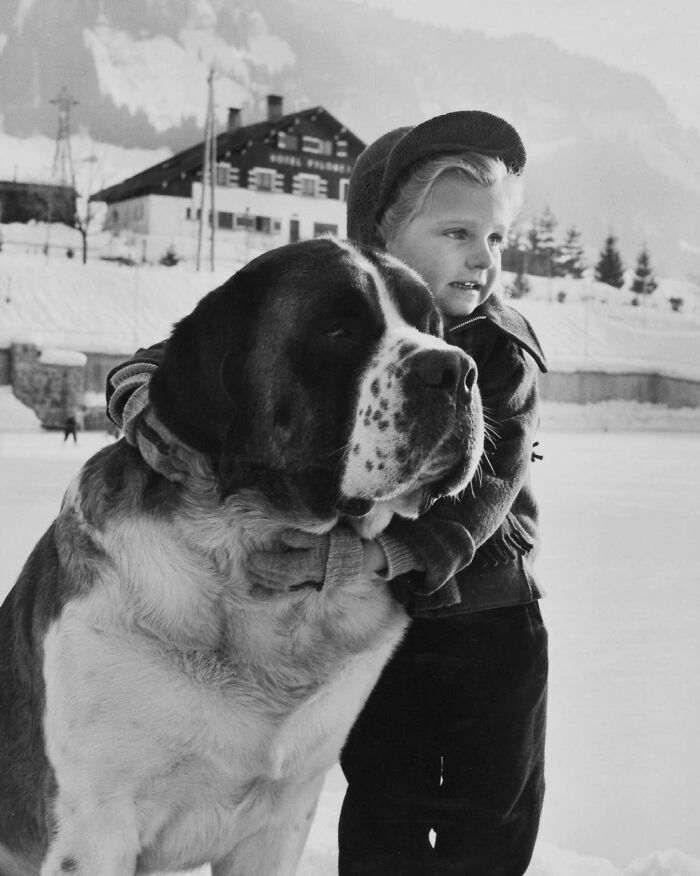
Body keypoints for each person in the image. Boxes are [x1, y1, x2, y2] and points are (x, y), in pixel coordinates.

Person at [105, 110, 548, 875]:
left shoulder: (498, 350)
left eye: (497, 238)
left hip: (491, 622)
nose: (484, 259)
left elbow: (488, 489)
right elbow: (186, 354)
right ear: (376, 244)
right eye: (456, 233)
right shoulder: (324, 316)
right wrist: (147, 402)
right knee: (384, 804)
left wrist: (375, 558)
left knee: (495, 811)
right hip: (375, 632)